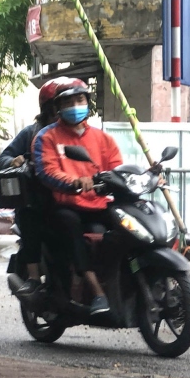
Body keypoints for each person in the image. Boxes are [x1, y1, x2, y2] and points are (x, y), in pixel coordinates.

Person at [32, 80, 123, 316]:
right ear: (58, 107)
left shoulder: (104, 139)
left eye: (80, 100)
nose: (75, 106)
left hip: (99, 204)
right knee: (70, 225)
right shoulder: (47, 137)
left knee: (126, 225)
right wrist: (74, 182)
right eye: (69, 102)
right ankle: (96, 293)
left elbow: (117, 169)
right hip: (64, 206)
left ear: (88, 103)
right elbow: (47, 171)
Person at [0, 76, 75, 298]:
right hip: (38, 200)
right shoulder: (32, 133)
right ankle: (33, 278)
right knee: (30, 218)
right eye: (63, 104)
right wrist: (15, 161)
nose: (69, 109)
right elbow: (3, 158)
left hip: (71, 198)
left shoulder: (77, 133)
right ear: (51, 106)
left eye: (75, 103)